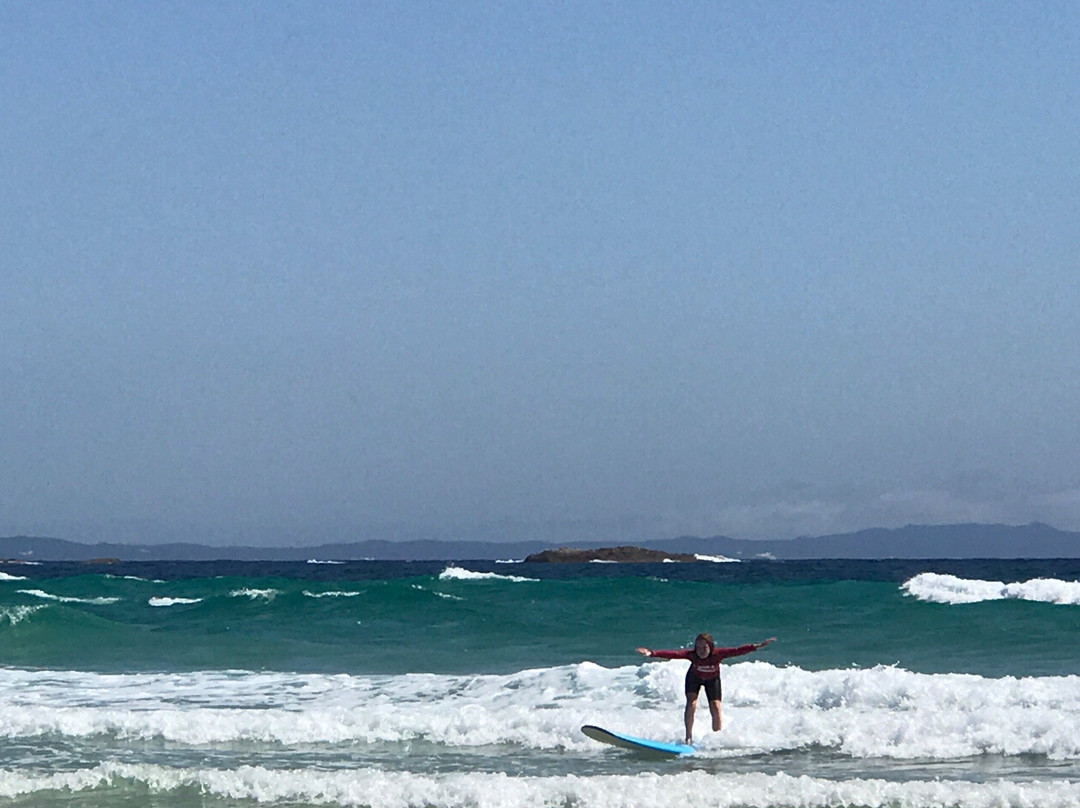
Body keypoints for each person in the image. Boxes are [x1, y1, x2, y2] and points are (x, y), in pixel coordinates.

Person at [636, 633, 775, 744]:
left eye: (704, 648)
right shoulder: (692, 655)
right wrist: (652, 653)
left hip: (712, 680)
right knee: (692, 702)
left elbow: (737, 651)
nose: (701, 651)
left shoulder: (718, 654)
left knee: (715, 706)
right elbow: (673, 654)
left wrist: (757, 646)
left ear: (710, 647)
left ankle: (716, 738)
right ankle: (688, 737)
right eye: (698, 648)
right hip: (694, 677)